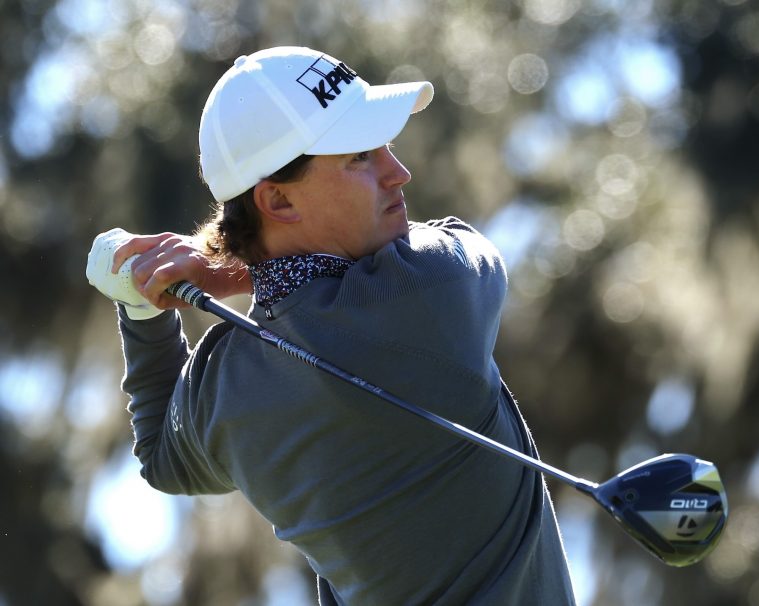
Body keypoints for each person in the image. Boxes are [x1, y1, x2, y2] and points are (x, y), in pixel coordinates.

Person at [85, 46, 576, 605]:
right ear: (278, 200)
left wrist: (143, 306)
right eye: (361, 157)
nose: (399, 173)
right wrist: (234, 273)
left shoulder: (223, 389)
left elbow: (160, 456)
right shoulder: (433, 292)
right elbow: (468, 241)